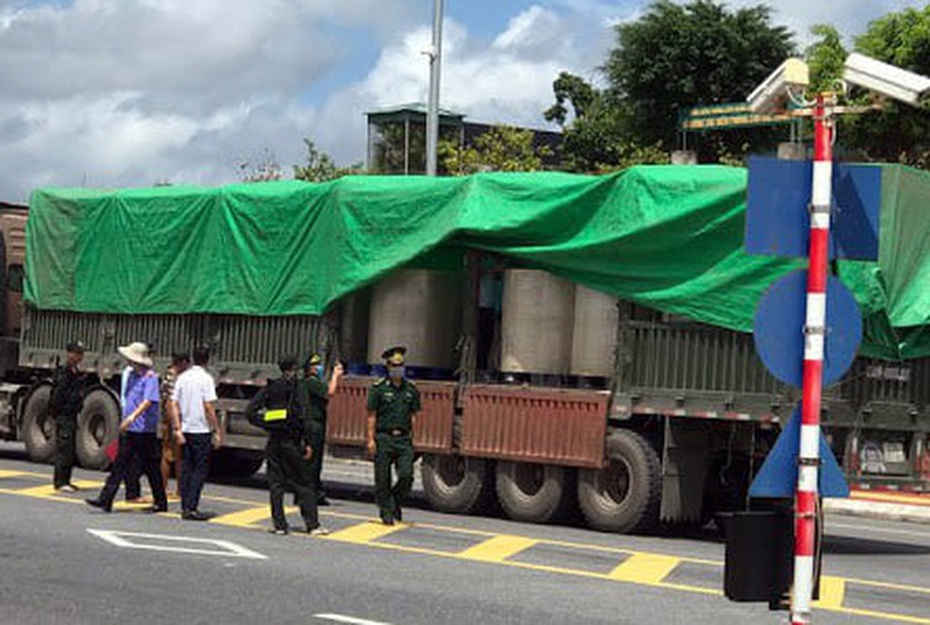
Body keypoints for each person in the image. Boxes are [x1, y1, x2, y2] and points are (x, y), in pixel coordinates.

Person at [246, 355, 327, 536]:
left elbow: (250, 412)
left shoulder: (272, 386)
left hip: (275, 441)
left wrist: (268, 421)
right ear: (295, 368)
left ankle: (280, 525)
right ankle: (312, 524)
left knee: (276, 485)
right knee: (304, 483)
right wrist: (307, 443)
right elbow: (305, 415)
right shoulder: (299, 387)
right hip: (293, 441)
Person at [86, 342, 168, 513]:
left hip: (144, 430)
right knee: (119, 464)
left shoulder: (150, 377)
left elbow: (148, 401)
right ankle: (105, 499)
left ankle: (161, 501)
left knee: (151, 467)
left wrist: (131, 417)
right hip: (131, 430)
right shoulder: (131, 375)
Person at [366, 346, 420, 526]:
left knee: (407, 476)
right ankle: (386, 510)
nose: (398, 368)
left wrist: (415, 438)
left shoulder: (411, 389)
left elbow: (414, 415)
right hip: (384, 438)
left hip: (404, 439)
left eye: (401, 365)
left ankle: (395, 500)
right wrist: (370, 439)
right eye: (394, 365)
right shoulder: (379, 389)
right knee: (383, 479)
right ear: (388, 367)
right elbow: (371, 415)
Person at [171, 346, 221, 521]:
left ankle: (185, 505)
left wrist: (177, 428)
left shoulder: (183, 378)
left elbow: (174, 404)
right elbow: (208, 406)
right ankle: (192, 507)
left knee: (186, 467)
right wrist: (216, 430)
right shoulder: (206, 379)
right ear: (207, 359)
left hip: (186, 428)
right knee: (199, 470)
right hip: (201, 429)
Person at [299, 353, 343, 505]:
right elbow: (330, 392)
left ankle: (313, 493)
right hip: (313, 425)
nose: (319, 367)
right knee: (312, 462)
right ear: (310, 368)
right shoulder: (311, 382)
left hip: (316, 424)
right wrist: (336, 375)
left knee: (314, 462)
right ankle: (308, 494)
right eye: (316, 365)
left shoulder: (312, 381)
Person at [50, 340, 86, 492]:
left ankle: (67, 479)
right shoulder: (64, 373)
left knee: (70, 449)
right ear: (69, 354)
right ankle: (60, 482)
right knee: (64, 449)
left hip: (71, 415)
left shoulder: (75, 372)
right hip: (65, 414)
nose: (79, 356)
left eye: (81, 354)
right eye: (76, 353)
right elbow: (58, 396)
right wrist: (58, 414)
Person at [161, 352, 189, 501]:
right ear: (182, 362)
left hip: (173, 419)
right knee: (170, 455)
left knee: (176, 455)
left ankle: (177, 489)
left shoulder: (170, 376)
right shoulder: (173, 377)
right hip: (172, 419)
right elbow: (169, 403)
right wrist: (174, 424)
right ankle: (169, 488)